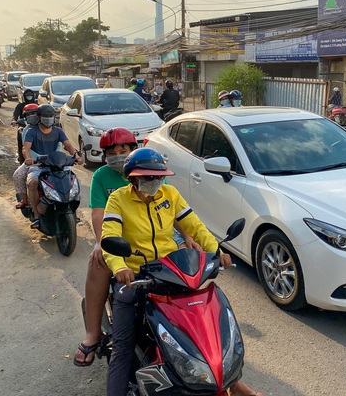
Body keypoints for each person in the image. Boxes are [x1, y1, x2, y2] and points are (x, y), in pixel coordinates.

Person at [102, 148, 261, 396]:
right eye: (148, 178)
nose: (155, 182)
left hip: (170, 271)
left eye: (158, 177)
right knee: (122, 347)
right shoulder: (118, 200)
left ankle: (229, 380)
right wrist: (120, 266)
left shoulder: (170, 194)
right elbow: (110, 236)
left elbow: (194, 226)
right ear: (132, 178)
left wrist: (216, 252)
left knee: (208, 327)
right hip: (137, 277)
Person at [74, 128, 199, 368]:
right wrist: (103, 243)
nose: (118, 156)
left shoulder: (152, 169)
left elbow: (174, 209)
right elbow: (99, 215)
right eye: (112, 152)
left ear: (134, 150)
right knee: (98, 260)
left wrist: (187, 237)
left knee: (189, 264)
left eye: (123, 150)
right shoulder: (102, 177)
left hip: (160, 234)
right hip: (121, 238)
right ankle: (92, 334)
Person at [23, 104, 84, 228]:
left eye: (50, 116)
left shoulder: (58, 131)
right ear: (39, 117)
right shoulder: (31, 132)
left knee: (72, 180)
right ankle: (36, 215)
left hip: (57, 164)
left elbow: (68, 145)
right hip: (39, 165)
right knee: (33, 182)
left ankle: (72, 212)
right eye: (45, 116)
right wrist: (28, 158)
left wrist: (76, 157)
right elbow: (26, 148)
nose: (48, 118)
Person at [12, 104, 40, 206]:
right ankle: (24, 200)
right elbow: (26, 148)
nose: (32, 116)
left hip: (51, 160)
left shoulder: (50, 128)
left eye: (34, 113)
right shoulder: (26, 131)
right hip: (34, 161)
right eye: (30, 114)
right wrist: (29, 158)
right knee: (18, 176)